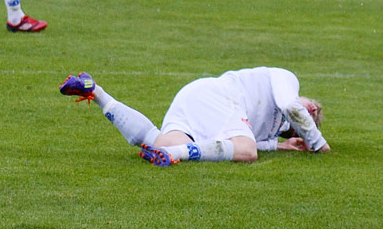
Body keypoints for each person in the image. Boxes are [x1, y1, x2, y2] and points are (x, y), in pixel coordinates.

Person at [60, 67, 330, 166]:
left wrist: (278, 145)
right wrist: (318, 143)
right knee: (247, 152)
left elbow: (236, 141)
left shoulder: (272, 128)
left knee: (160, 143)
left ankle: (96, 92)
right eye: (312, 107)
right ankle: (179, 154)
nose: (311, 110)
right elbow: (291, 106)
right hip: (221, 96)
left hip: (196, 96)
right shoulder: (287, 79)